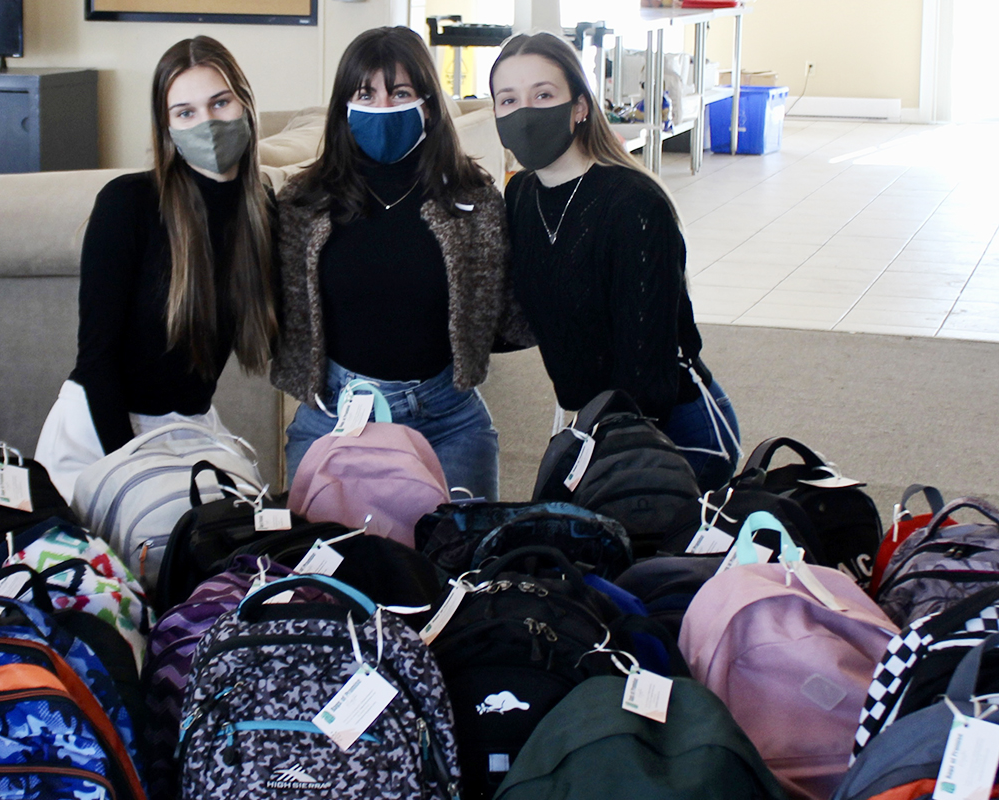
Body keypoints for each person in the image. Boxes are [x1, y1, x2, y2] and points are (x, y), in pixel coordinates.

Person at [271, 25, 530, 502]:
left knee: (458, 570)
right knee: (326, 570)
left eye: (401, 92)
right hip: (334, 417)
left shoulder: (474, 199)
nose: (382, 107)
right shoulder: (302, 203)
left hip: (447, 419)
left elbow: (508, 313)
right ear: (343, 108)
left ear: (428, 104)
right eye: (364, 93)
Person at [490, 32, 740, 491]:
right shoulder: (521, 195)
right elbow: (523, 317)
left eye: (543, 94)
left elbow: (645, 375)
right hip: (595, 425)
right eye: (508, 100)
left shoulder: (634, 206)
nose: (525, 113)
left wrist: (588, 460)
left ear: (580, 106)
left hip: (673, 434)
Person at [35, 36, 276, 503]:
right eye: (185, 113)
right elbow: (96, 359)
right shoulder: (128, 204)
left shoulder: (263, 212)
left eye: (220, 103)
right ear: (166, 128)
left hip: (190, 429)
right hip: (101, 432)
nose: (206, 123)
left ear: (245, 105)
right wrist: (132, 476)